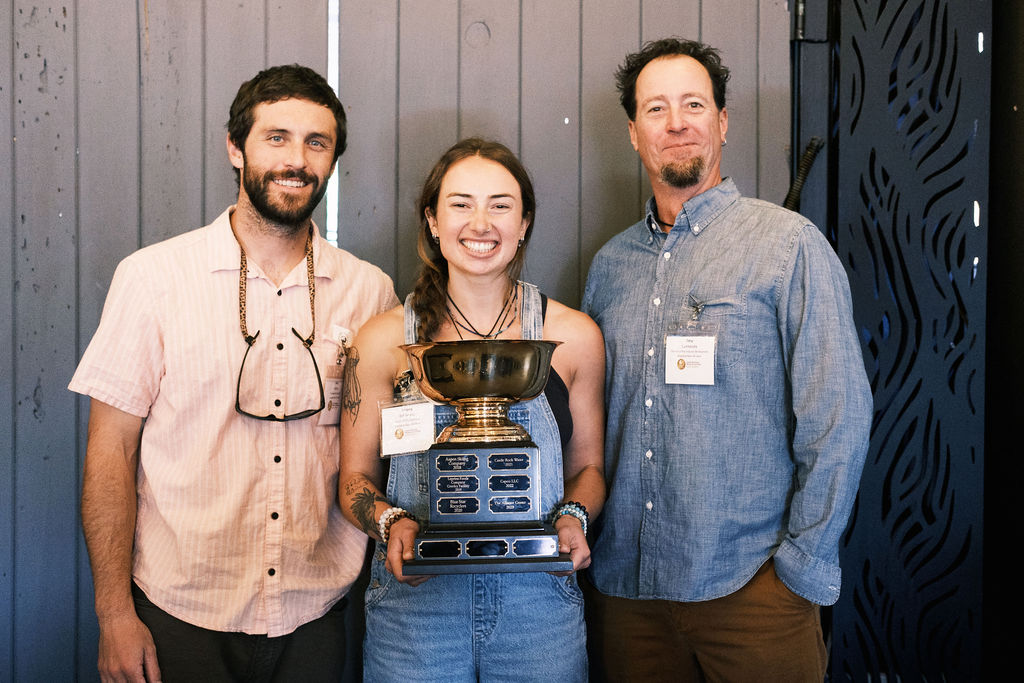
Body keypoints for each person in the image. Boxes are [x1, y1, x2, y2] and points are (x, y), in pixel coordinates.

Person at [69, 64, 399, 682]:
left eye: (316, 142)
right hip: (177, 613)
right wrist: (114, 614)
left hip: (316, 615)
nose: (295, 159)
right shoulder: (152, 278)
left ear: (332, 161)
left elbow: (380, 447)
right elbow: (109, 450)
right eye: (276, 137)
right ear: (235, 146)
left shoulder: (369, 291)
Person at [581, 38, 873, 682]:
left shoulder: (788, 246)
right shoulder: (609, 269)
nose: (677, 122)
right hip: (630, 597)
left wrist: (798, 570)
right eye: (656, 109)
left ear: (722, 122)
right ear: (634, 133)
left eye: (693, 104)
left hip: (754, 593)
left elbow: (839, 416)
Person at [338, 137, 606, 682]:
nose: (480, 223)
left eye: (500, 205)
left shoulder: (574, 337)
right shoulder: (383, 339)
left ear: (524, 222)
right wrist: (390, 523)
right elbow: (353, 478)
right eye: (460, 203)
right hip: (416, 609)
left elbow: (589, 469)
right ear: (433, 221)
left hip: (539, 608)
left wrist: (574, 518)